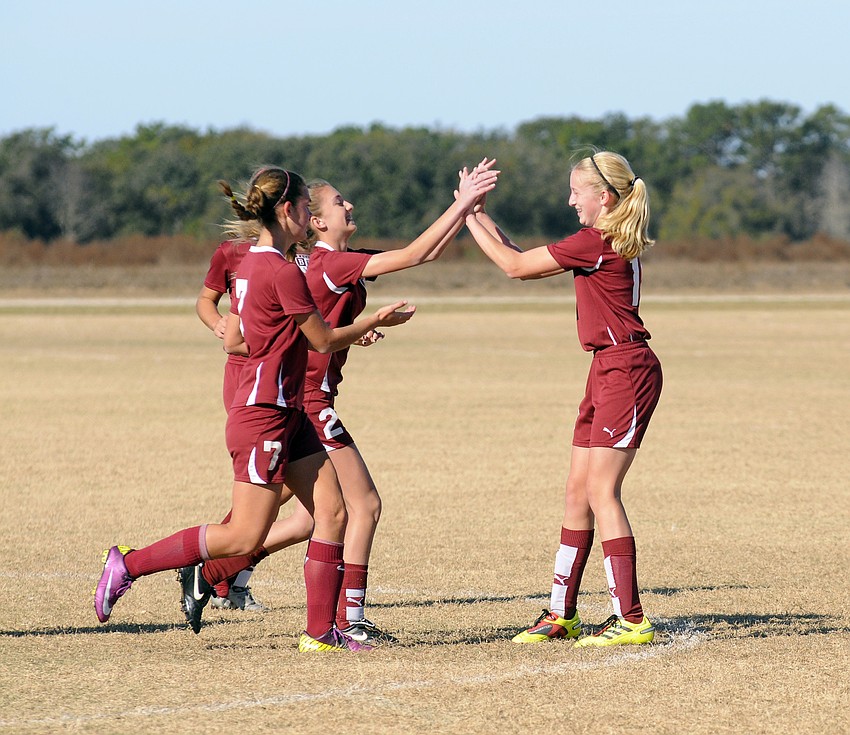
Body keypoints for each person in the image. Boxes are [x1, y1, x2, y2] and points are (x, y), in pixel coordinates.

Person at [94, 166, 416, 652]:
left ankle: (321, 634)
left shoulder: (256, 267)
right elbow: (324, 341)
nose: (310, 216)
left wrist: (281, 338)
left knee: (331, 511)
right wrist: (376, 319)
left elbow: (237, 340)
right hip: (264, 413)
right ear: (287, 211)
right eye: (307, 206)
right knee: (243, 537)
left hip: (289, 411)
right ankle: (128, 564)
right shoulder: (281, 269)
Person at [189, 160, 500, 644]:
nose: (348, 205)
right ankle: (347, 619)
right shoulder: (331, 262)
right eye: (337, 202)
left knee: (309, 517)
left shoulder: (333, 260)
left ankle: (216, 572)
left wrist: (466, 211)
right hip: (310, 400)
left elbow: (424, 254)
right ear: (314, 220)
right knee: (364, 506)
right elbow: (417, 254)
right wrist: (462, 203)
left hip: (301, 396)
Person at [462, 151, 662, 647]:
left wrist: (464, 212)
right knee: (578, 493)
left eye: (577, 191)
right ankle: (560, 613)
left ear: (605, 197)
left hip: (626, 370)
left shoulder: (597, 241)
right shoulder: (596, 239)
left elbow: (514, 266)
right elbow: (523, 255)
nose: (570, 200)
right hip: (606, 367)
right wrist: (478, 213)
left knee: (601, 493)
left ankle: (630, 618)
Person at [196, 237, 269, 612]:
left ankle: (225, 575)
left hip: (286, 375)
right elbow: (205, 301)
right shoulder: (231, 252)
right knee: (267, 482)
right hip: (245, 376)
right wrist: (217, 324)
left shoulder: (300, 253)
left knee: (277, 484)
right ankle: (225, 577)